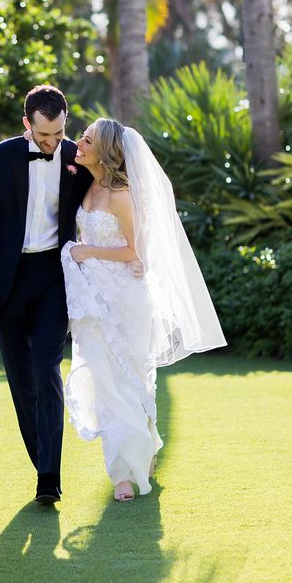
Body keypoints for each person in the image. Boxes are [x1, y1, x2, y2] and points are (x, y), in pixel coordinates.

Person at [62, 118, 227, 502]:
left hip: (123, 299)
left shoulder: (122, 194)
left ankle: (133, 464)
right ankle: (127, 467)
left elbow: (135, 252)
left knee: (129, 381)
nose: (78, 144)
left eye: (87, 140)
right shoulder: (86, 183)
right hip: (92, 301)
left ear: (105, 152)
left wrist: (86, 250)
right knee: (105, 385)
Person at [0, 85, 93, 504]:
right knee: (22, 383)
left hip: (53, 278)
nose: (53, 144)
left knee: (47, 370)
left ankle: (48, 477)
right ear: (27, 124)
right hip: (6, 284)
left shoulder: (77, 157)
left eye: (58, 134)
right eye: (44, 137)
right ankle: (41, 459)